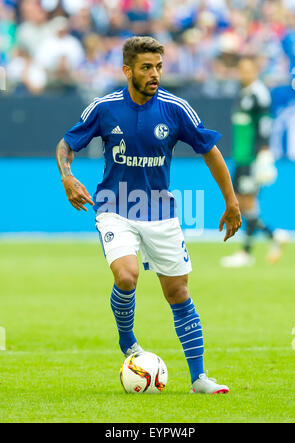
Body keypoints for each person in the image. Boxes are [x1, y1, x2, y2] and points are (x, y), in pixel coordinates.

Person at [56, 36, 241, 394]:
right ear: (127, 70)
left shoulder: (175, 108)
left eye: (158, 66)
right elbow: (67, 144)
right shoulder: (105, 107)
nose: (154, 74)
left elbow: (211, 151)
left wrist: (231, 202)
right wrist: (67, 177)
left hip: (160, 213)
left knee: (178, 291)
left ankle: (199, 379)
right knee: (126, 277)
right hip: (115, 206)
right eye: (146, 67)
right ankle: (128, 342)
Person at [221, 56, 288, 268]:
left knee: (245, 204)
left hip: (251, 158)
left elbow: (265, 126)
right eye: (241, 70)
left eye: (248, 70)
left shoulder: (259, 95)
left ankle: (253, 248)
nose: (243, 74)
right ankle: (271, 238)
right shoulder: (244, 93)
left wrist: (263, 154)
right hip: (241, 156)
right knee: (244, 205)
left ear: (256, 71)